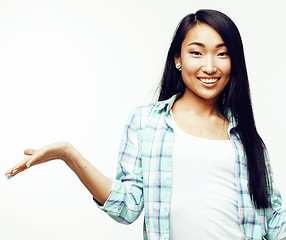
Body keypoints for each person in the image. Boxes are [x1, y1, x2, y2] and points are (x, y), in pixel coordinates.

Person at [5, 9, 286, 240]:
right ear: (177, 59)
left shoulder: (244, 136)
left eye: (222, 53)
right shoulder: (147, 122)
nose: (210, 66)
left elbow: (273, 218)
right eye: (196, 53)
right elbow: (126, 208)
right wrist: (69, 154)